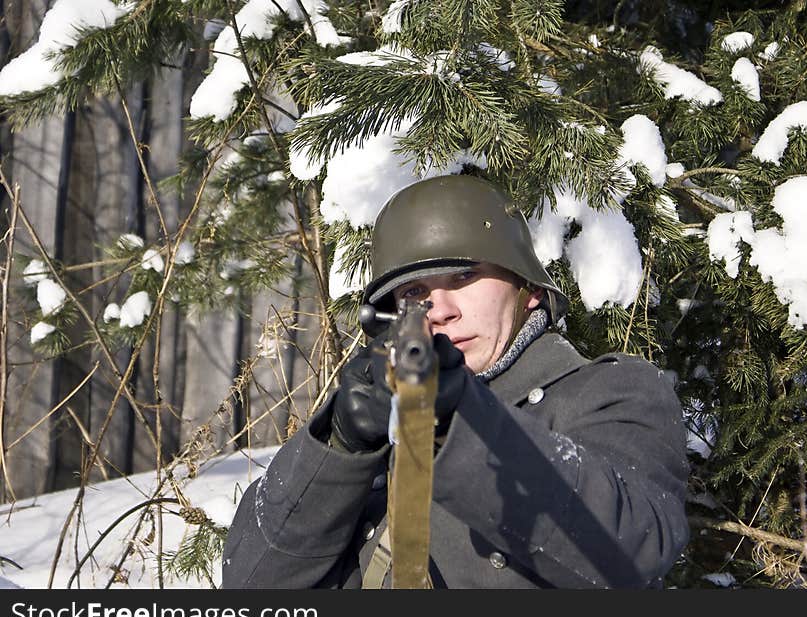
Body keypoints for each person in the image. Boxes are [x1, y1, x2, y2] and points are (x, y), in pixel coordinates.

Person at [221, 174, 690, 588]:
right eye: (414, 292)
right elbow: (251, 588)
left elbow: (633, 548)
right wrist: (341, 447)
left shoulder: (610, 392)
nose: (441, 308)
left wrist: (458, 421)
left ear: (526, 289)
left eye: (465, 275)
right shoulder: (374, 430)